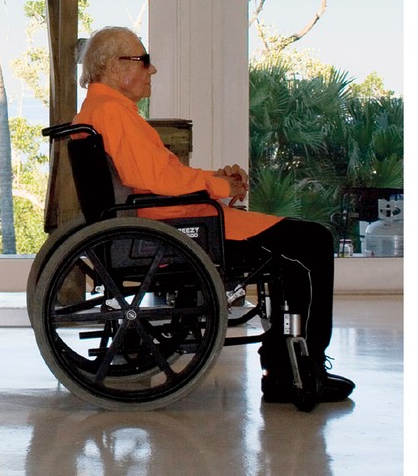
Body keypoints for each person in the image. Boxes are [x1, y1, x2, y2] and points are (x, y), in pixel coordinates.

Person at [73, 26, 354, 405]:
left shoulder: (100, 110)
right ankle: (304, 369)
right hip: (175, 229)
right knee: (313, 242)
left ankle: (286, 369)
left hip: (167, 221)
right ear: (116, 66)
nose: (151, 70)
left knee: (294, 250)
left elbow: (157, 178)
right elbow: (154, 178)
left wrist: (215, 180)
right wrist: (220, 186)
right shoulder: (113, 112)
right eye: (145, 60)